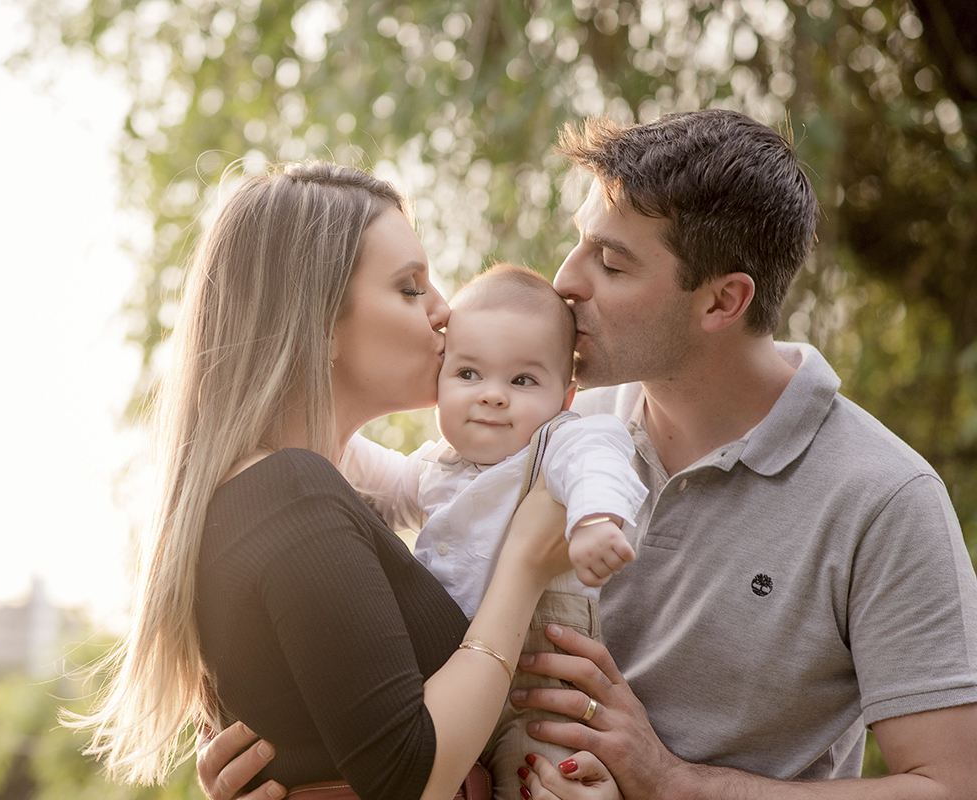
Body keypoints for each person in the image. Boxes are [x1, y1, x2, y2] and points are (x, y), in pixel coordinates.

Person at [195, 110, 977, 800]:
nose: (565, 280)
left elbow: (950, 785)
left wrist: (674, 784)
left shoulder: (882, 498)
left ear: (721, 301)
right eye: (579, 245)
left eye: (611, 262)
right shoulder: (549, 423)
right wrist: (302, 760)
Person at [73, 160, 578, 800]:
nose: (445, 310)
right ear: (320, 320)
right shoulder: (292, 497)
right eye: (410, 286)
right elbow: (406, 775)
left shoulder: (285, 498)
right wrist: (526, 568)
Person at [338, 262, 648, 799]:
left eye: (522, 379)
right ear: (440, 381)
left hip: (538, 698)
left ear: (566, 398)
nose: (493, 394)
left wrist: (596, 520)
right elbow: (377, 481)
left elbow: (601, 461)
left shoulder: (560, 443)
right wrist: (319, 420)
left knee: (548, 787)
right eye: (468, 374)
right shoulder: (437, 467)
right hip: (445, 686)